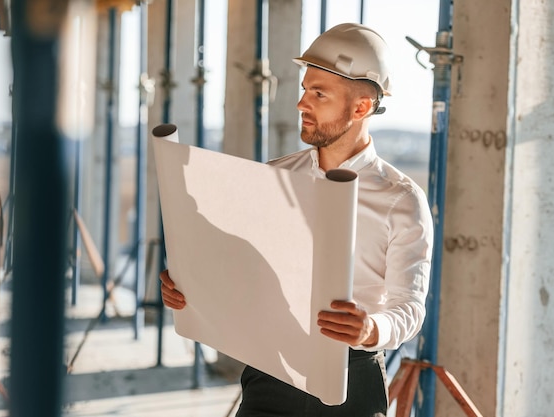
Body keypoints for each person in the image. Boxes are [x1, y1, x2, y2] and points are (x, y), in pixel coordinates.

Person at [160, 22, 433, 417]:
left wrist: (372, 328)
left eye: (319, 94)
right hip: (270, 371)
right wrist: (189, 289)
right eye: (305, 89)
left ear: (361, 107)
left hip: (351, 379)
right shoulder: (273, 177)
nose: (302, 103)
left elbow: (410, 307)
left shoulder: (401, 199)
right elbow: (236, 267)